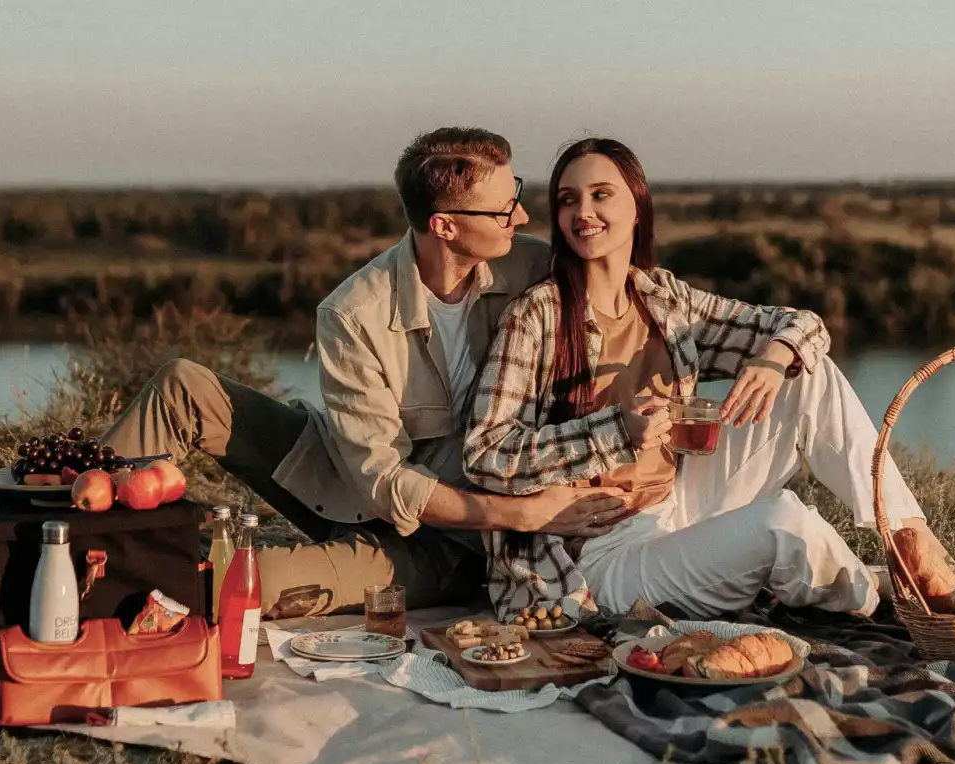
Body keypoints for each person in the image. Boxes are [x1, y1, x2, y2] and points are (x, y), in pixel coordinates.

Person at [100, 127, 632, 618]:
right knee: (181, 385)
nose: (519, 218)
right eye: (503, 210)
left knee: (235, 580)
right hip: (357, 487)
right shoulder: (353, 311)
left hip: (449, 542)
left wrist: (710, 371)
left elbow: (645, 300)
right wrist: (525, 515)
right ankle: (83, 530)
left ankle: (105, 578)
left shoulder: (530, 266)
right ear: (444, 225)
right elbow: (380, 480)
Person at [464, 137, 952, 619]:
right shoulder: (537, 317)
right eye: (567, 200)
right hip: (600, 553)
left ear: (638, 205)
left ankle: (912, 544)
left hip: (678, 503)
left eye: (601, 194)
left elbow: (805, 326)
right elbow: (485, 454)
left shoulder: (665, 299)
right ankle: (889, 595)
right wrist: (616, 431)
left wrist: (772, 358)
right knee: (783, 523)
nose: (583, 212)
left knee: (808, 373)